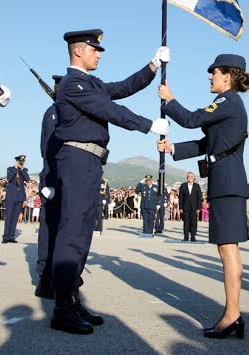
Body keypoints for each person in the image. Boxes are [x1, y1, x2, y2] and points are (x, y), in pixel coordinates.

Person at [51, 29, 170, 334]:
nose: (100, 54)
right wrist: (148, 125)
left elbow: (123, 88)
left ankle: (73, 298)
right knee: (72, 231)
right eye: (95, 49)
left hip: (90, 161)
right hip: (76, 159)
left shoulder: (91, 83)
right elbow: (109, 110)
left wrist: (152, 66)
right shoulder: (72, 84)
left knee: (84, 230)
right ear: (78, 51)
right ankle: (62, 306)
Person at [158, 53, 249, 339]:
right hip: (227, 181)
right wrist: (173, 148)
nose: (210, 76)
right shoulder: (230, 105)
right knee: (228, 250)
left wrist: (169, 100)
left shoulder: (227, 101)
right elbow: (205, 143)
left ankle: (232, 314)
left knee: (227, 250)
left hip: (227, 182)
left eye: (214, 72)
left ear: (227, 75)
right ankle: (232, 313)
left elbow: (190, 119)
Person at [36, 75, 63, 299]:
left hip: (62, 178)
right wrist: (48, 182)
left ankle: (53, 276)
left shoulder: (63, 112)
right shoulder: (52, 113)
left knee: (59, 230)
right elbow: (48, 150)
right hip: (52, 178)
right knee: (49, 229)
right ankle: (44, 279)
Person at [2, 155, 30, 243]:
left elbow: (27, 179)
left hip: (20, 197)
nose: (21, 163)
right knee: (9, 217)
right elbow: (9, 178)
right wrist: (15, 168)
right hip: (11, 196)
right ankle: (6, 237)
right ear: (16, 161)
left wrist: (21, 169)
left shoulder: (24, 170)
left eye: (23, 162)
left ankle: (11, 236)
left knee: (15, 218)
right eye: (20, 161)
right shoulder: (10, 169)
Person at [179, 172, 202, 242]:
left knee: (193, 222)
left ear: (194, 178)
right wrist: (180, 208)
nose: (190, 178)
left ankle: (193, 237)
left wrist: (199, 208)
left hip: (194, 208)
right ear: (187, 177)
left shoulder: (197, 186)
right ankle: (186, 237)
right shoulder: (183, 185)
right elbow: (181, 197)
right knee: (186, 222)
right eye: (189, 176)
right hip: (185, 207)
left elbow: (199, 198)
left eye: (191, 176)